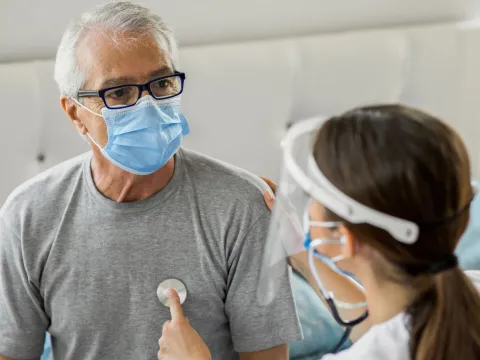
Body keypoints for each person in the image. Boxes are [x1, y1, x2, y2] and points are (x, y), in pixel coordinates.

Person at [0, 2, 301, 360]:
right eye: (119, 93)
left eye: (161, 83)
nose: (147, 106)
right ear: (75, 114)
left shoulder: (242, 207)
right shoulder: (28, 216)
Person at [156, 104, 480, 360]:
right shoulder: (462, 298)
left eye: (314, 198)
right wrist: (299, 254)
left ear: (346, 239)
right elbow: (385, 326)